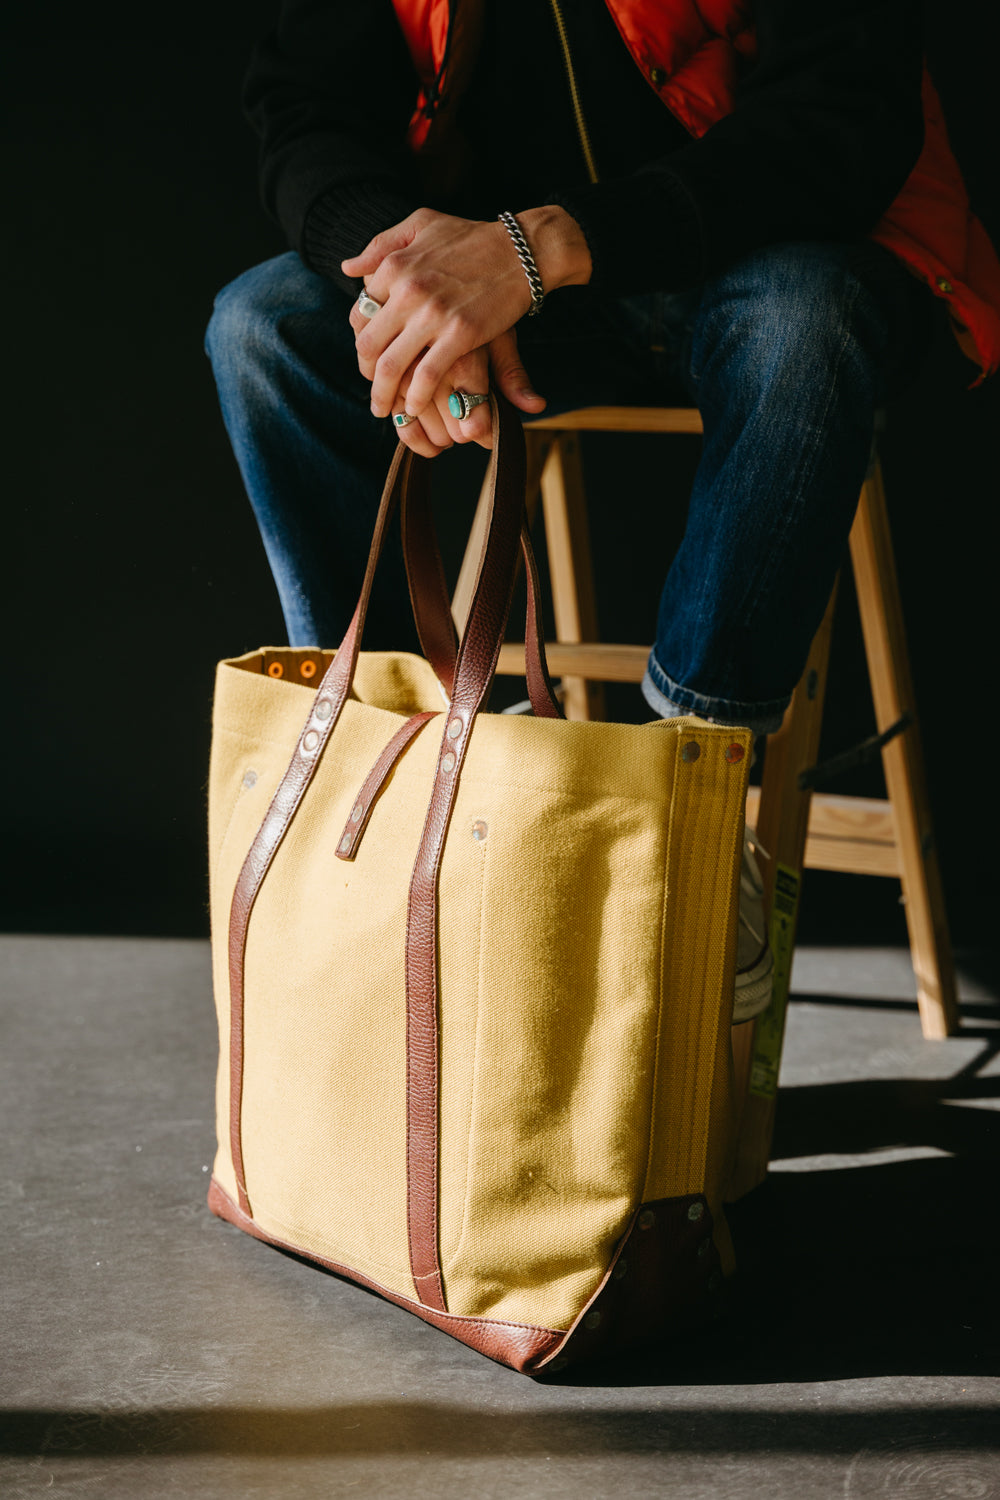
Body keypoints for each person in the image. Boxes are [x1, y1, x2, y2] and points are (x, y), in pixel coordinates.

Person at [205, 0, 1000, 1021]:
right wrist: (408, 281)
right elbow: (301, 103)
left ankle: (693, 812)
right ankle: (401, 790)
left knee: (803, 321)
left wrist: (537, 248)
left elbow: (845, 116)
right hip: (507, 293)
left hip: (770, 254)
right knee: (262, 328)